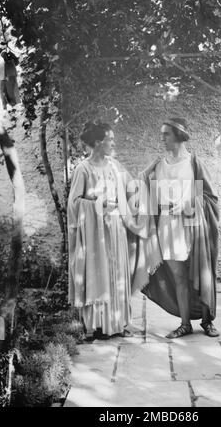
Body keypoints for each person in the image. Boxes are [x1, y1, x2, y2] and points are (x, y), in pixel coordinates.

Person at [134, 117, 220, 338]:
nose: (162, 138)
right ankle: (185, 324)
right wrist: (147, 172)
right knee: (180, 277)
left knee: (201, 273)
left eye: (166, 134)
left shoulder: (194, 163)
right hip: (167, 226)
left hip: (193, 223)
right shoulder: (160, 165)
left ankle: (207, 321)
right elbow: (142, 188)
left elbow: (210, 197)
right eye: (162, 134)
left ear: (179, 135)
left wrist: (185, 205)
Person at [68, 121, 147, 340]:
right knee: (98, 273)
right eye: (109, 139)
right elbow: (74, 204)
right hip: (95, 234)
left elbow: (130, 190)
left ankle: (118, 324)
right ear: (97, 142)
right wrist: (93, 203)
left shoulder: (114, 167)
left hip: (115, 230)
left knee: (117, 274)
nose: (113, 143)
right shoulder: (83, 169)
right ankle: (97, 327)